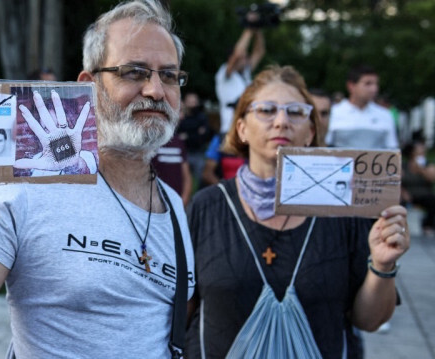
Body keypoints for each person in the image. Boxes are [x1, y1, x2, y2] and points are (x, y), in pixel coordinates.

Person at [0, 1, 195, 357]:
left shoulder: (175, 207)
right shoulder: (28, 189)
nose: (155, 90)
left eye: (169, 75)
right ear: (89, 85)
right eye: (134, 72)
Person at [185, 65, 409, 358]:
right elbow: (181, 311)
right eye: (266, 110)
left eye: (295, 112)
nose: (281, 121)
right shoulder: (207, 207)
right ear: (241, 128)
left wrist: (383, 265)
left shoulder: (342, 210)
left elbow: (369, 320)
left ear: (310, 132)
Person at [325, 65, 399, 149]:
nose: (374, 89)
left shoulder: (385, 115)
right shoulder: (334, 113)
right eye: (368, 84)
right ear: (351, 86)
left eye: (376, 84)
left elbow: (392, 149)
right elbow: (325, 146)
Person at [215, 28, 265, 136]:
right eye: (244, 57)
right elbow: (237, 54)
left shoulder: (245, 73)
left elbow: (259, 52)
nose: (246, 59)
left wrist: (258, 28)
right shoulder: (224, 73)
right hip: (229, 131)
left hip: (247, 129)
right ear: (231, 58)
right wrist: (249, 28)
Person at [176, 92, 211, 188]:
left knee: (200, 179)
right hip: (183, 152)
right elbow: (178, 135)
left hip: (198, 152)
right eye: (190, 101)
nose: (193, 104)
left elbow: (204, 134)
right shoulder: (181, 117)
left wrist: (187, 135)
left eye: (194, 102)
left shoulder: (202, 117)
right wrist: (195, 132)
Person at [401, 138, 435, 237]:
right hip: (408, 194)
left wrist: (421, 169)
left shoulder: (427, 164)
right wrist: (404, 193)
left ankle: (428, 226)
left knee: (432, 201)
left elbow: (432, 178)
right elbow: (398, 182)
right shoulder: (404, 165)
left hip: (424, 194)